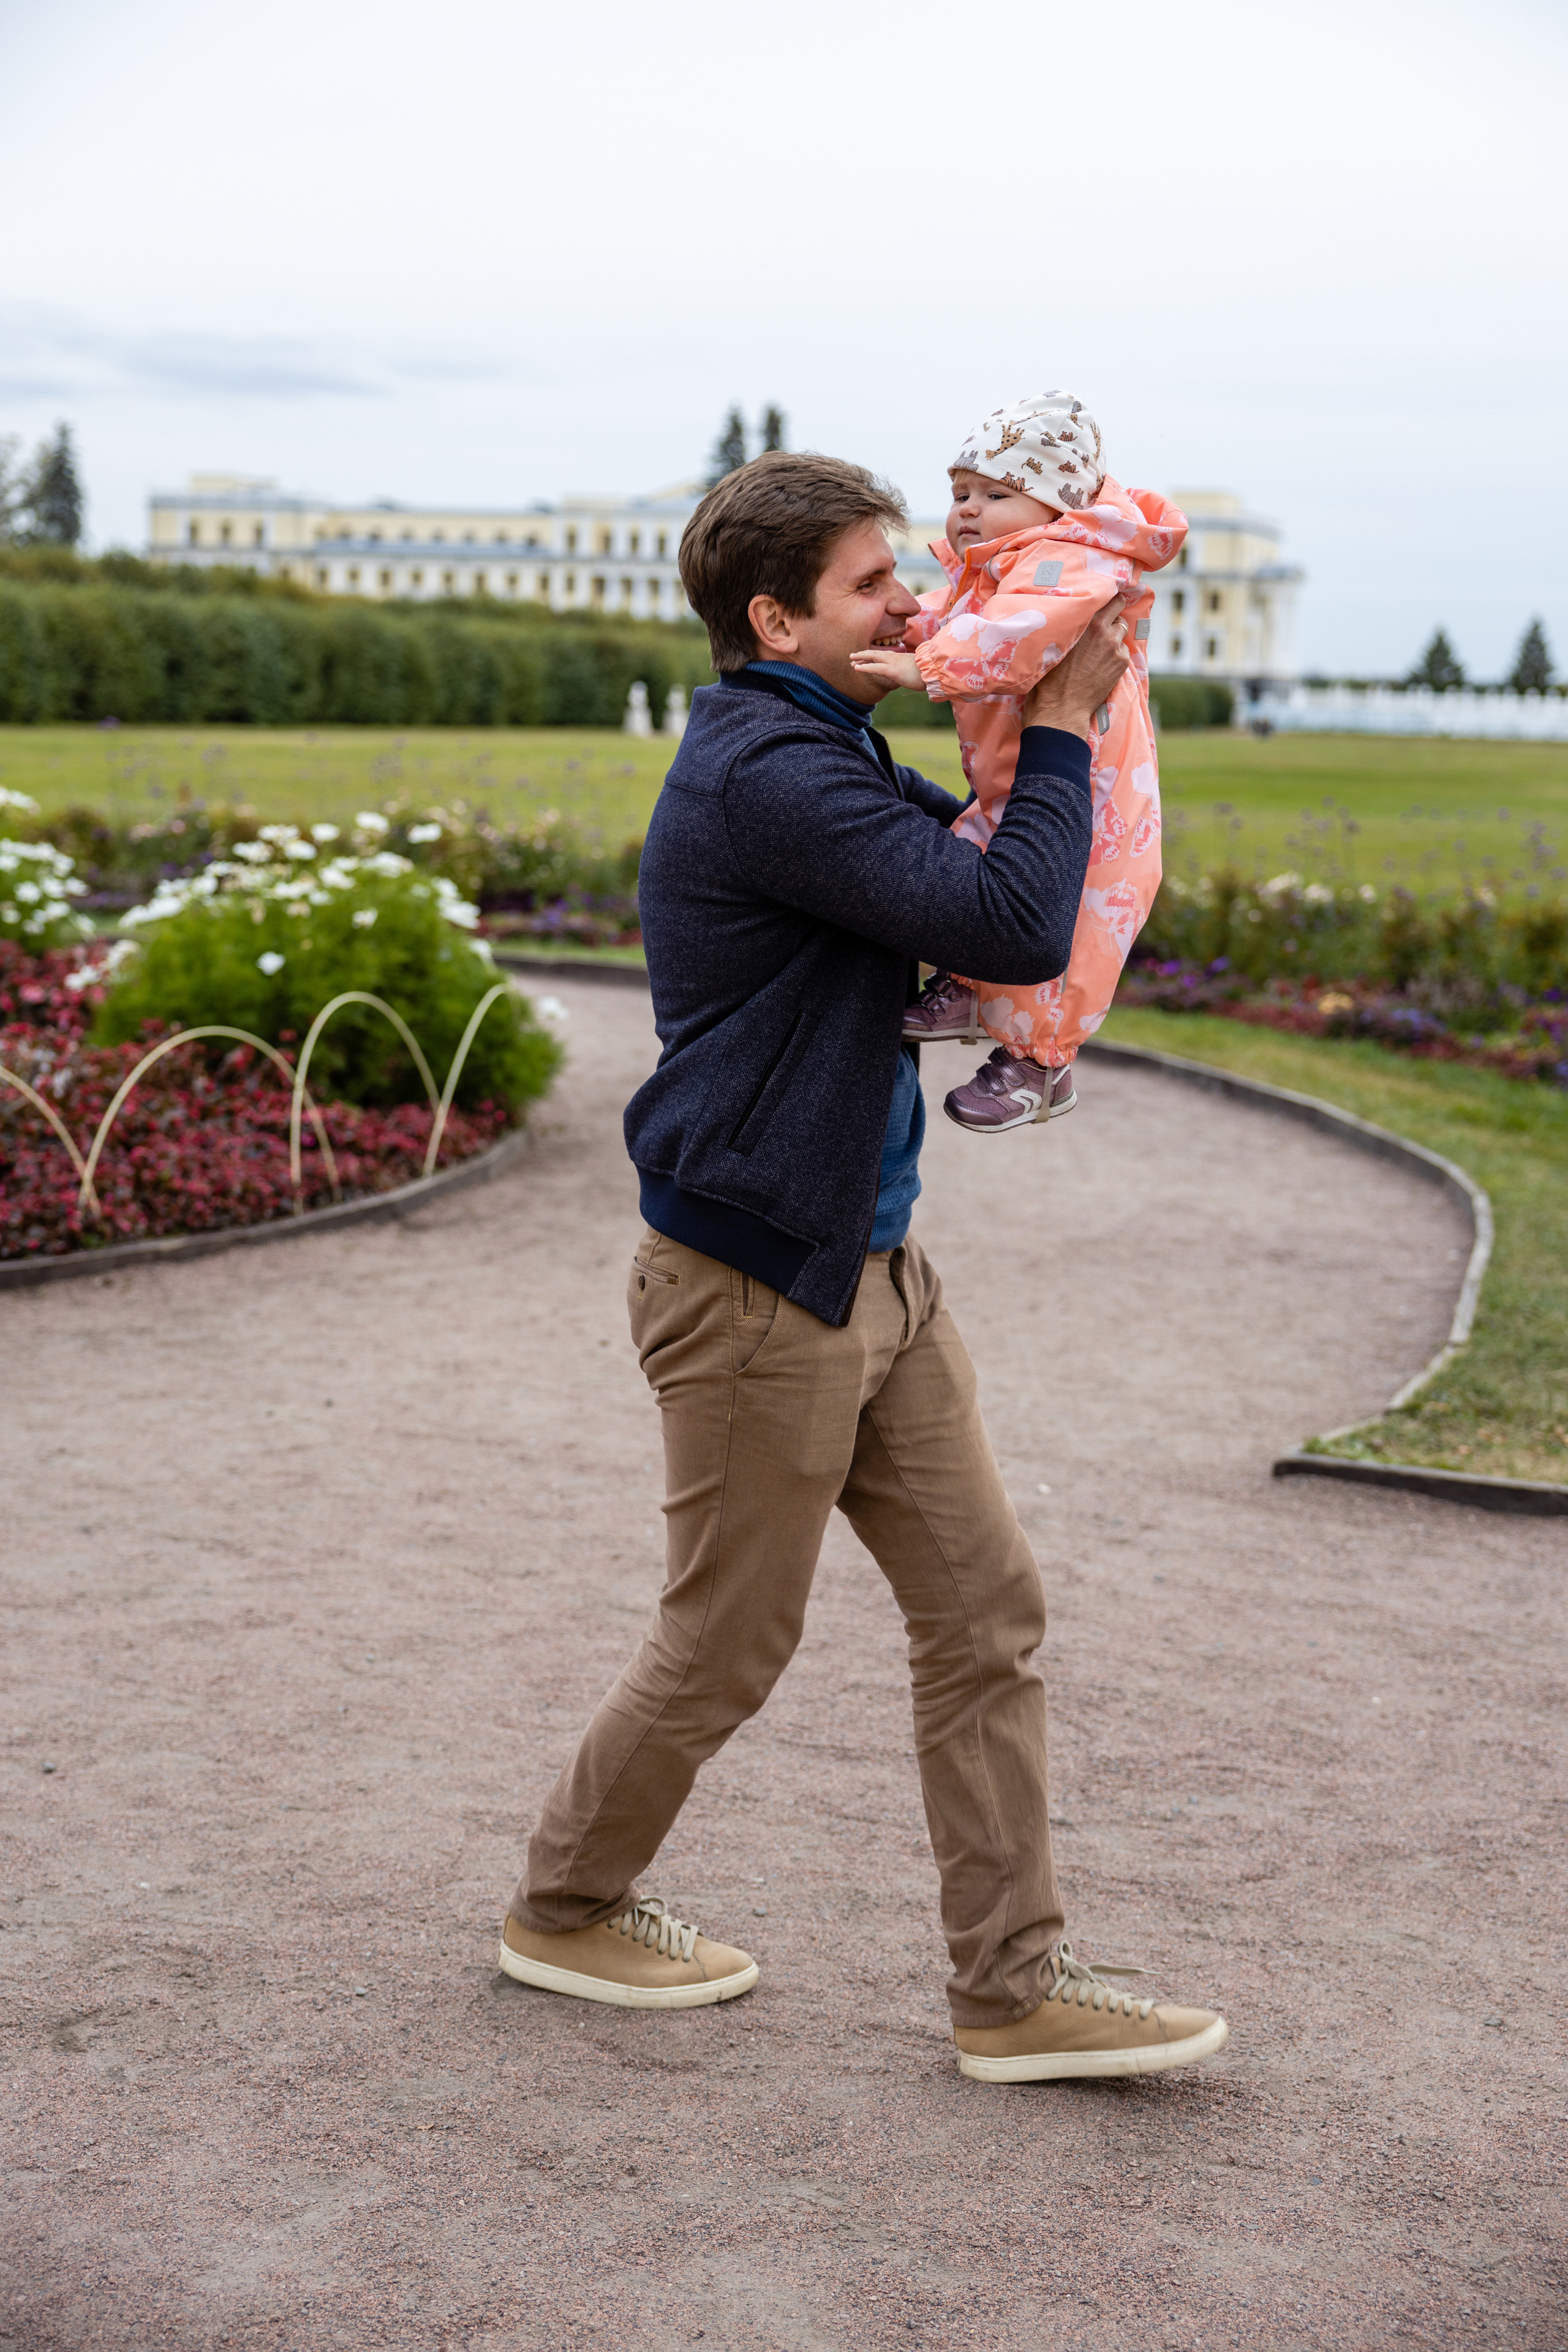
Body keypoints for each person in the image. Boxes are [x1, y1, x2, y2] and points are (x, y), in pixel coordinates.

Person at [498, 450, 1228, 2084]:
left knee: (989, 1616)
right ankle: (562, 1902)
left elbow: (1001, 879)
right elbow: (1014, 920)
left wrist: (1060, 699)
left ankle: (1013, 1988)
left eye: (912, 569)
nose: (915, 599)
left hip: (874, 1267)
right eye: (872, 583)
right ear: (774, 619)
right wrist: (1050, 716)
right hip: (758, 1283)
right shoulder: (774, 771)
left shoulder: (824, 740)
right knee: (728, 1643)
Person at [848, 392, 1186, 1135]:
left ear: (1057, 507)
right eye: (960, 492)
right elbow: (969, 612)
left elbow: (1019, 630)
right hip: (1018, 779)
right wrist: (918, 627)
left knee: (1077, 925)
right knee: (973, 863)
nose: (967, 509)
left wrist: (926, 663)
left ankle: (1041, 1061)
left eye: (996, 494)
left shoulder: (1070, 565)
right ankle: (970, 983)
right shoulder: (1008, 569)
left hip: (1094, 800)